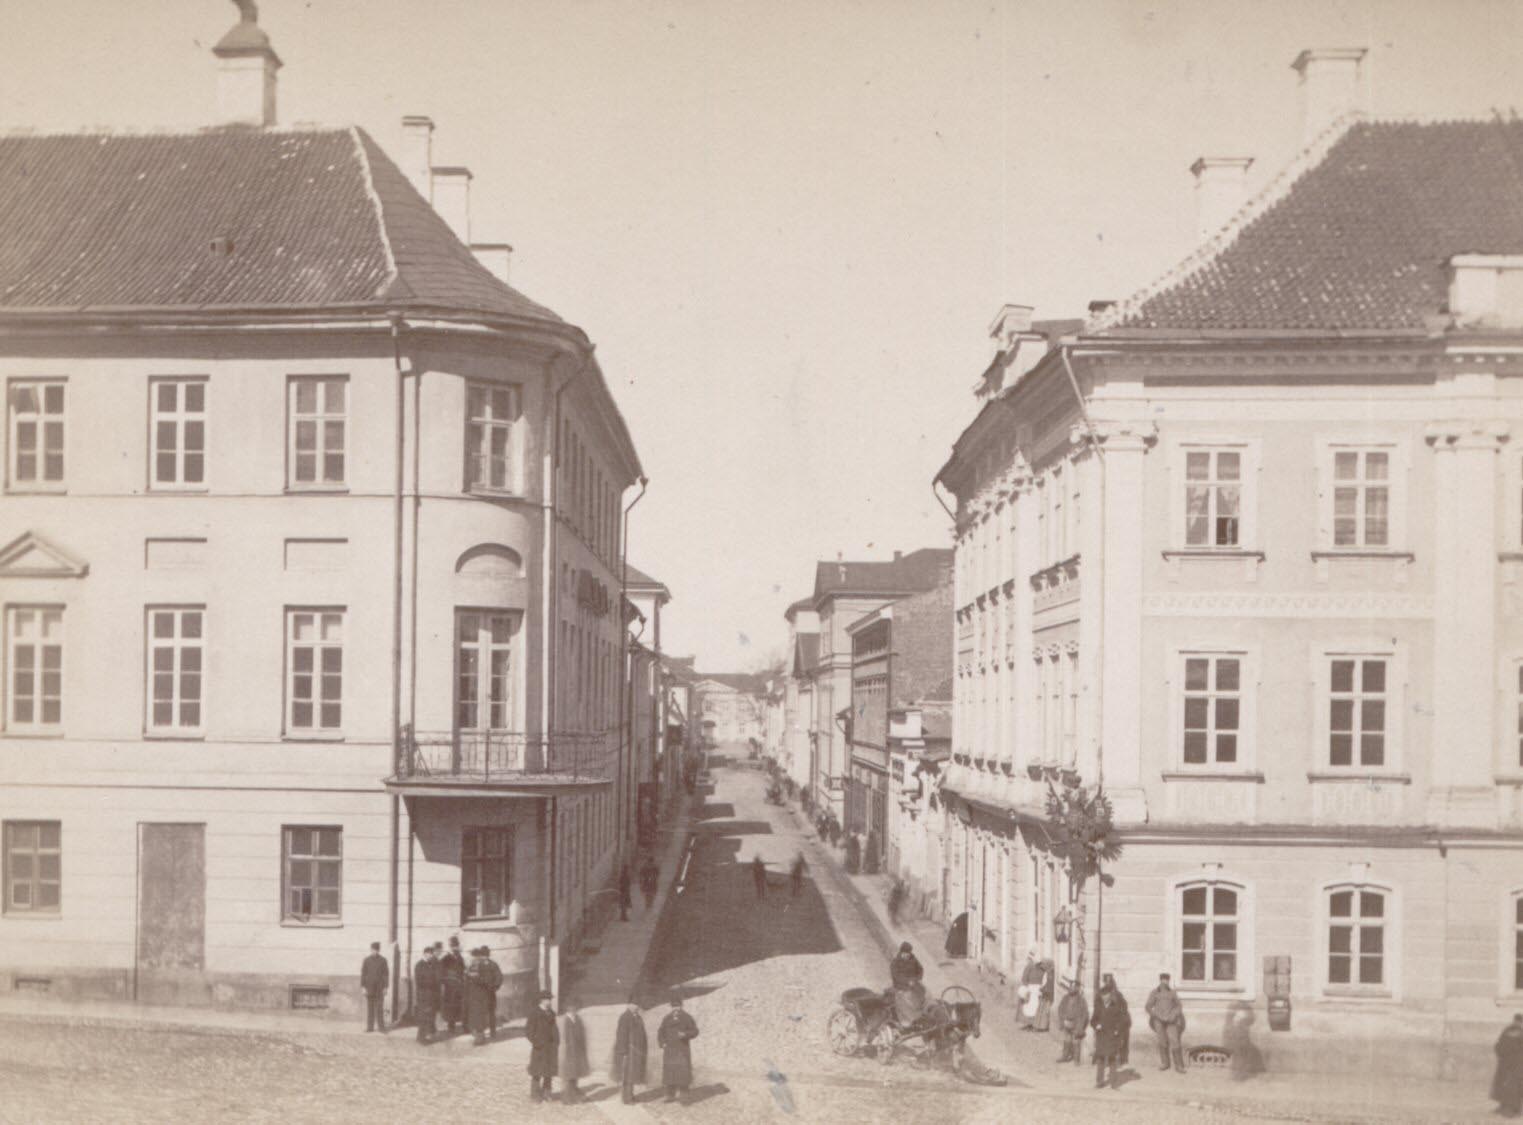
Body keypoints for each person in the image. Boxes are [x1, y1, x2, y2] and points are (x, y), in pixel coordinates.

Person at [1091, 976, 1132, 1089]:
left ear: (1110, 995)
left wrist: (1117, 1030)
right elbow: (1093, 1020)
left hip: (1112, 1036)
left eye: (1107, 995)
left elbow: (1122, 1020)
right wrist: (1096, 1026)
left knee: (1112, 1059)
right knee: (1100, 1059)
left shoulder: (1116, 1006)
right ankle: (1099, 1081)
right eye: (1103, 995)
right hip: (1101, 1036)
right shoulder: (1098, 1007)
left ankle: (1114, 1083)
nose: (1105, 997)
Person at [658, 996, 699, 1103]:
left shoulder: (687, 1017)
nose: (676, 1008)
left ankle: (684, 1097)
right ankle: (670, 1096)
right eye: (673, 1006)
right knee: (670, 1073)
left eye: (678, 1006)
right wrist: (662, 1043)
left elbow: (695, 1031)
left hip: (682, 1050)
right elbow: (660, 1032)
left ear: (681, 1006)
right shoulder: (666, 1018)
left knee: (683, 1073)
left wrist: (685, 1034)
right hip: (670, 1050)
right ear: (671, 1007)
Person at [1145, 972, 1188, 1072]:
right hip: (1158, 1021)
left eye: (1167, 980)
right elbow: (1148, 1007)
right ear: (1160, 981)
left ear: (1168, 981)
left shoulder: (1172, 993)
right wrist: (1155, 1015)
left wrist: (1174, 1014)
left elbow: (1179, 1006)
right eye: (1163, 980)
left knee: (1175, 1041)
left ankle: (1179, 1065)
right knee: (1162, 1041)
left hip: (1171, 1021)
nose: (1165, 982)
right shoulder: (1154, 992)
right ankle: (1165, 1063)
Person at [613, 996, 649, 1105]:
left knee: (633, 1074)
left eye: (637, 1005)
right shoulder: (625, 1017)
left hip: (637, 1051)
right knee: (627, 1075)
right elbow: (621, 1035)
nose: (636, 1007)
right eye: (634, 1004)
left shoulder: (638, 1017)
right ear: (629, 1005)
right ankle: (627, 1098)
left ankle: (631, 1095)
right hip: (628, 1051)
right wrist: (623, 1051)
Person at [526, 990, 560, 1102]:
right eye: (547, 999)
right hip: (539, 1048)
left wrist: (556, 1041)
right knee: (537, 1071)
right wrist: (536, 1042)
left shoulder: (551, 1013)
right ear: (542, 1000)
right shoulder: (534, 1013)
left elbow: (554, 1028)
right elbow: (528, 1031)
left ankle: (547, 1093)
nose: (549, 1001)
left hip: (550, 1047)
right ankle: (535, 1094)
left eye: (550, 999)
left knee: (549, 1072)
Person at [559, 999, 591, 1104]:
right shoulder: (565, 1020)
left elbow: (582, 1035)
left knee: (575, 1074)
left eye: (575, 1008)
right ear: (567, 1008)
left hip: (578, 1052)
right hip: (568, 1053)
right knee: (569, 1076)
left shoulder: (578, 1019)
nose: (573, 1010)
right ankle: (567, 1098)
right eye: (571, 1007)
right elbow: (563, 1038)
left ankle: (574, 1096)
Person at [889, 941, 926, 1025]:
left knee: (922, 991)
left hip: (914, 983)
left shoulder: (913, 959)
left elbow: (920, 970)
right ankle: (911, 1018)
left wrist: (916, 979)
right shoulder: (895, 962)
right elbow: (896, 976)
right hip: (901, 985)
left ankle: (920, 1011)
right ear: (901, 952)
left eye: (908, 954)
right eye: (905, 954)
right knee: (907, 997)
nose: (907, 955)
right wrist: (908, 982)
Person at [1494, 1013, 1523, 1118]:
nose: (1516, 1023)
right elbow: (1499, 1044)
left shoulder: (1520, 1033)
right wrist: (1499, 1053)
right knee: (1503, 1084)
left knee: (1516, 1086)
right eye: (1515, 1021)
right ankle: (1503, 1106)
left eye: (1518, 1021)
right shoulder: (1507, 1030)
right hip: (1506, 1063)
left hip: (1517, 1065)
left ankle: (1516, 1110)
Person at [463, 947, 492, 1045]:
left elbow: (487, 980)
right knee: (474, 1017)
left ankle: (480, 1038)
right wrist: (467, 976)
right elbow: (467, 981)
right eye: (473, 957)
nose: (474, 959)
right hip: (472, 996)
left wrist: (475, 978)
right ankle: (477, 1036)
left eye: (476, 957)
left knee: (480, 1017)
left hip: (481, 996)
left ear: (480, 957)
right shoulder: (471, 967)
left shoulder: (485, 966)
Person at [1056, 978, 1089, 1065]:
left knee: (1076, 1041)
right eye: (1070, 986)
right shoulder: (1065, 998)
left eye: (1074, 987)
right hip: (1066, 1022)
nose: (1071, 988)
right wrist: (1062, 1020)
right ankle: (1065, 1056)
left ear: (1078, 988)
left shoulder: (1081, 1000)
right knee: (1066, 1040)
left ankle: (1076, 1059)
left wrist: (1080, 1025)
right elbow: (1060, 1009)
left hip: (1076, 1024)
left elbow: (1084, 1014)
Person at [413, 944, 441, 1044]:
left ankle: (421, 1037)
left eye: (431, 954)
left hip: (430, 995)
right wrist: (432, 983)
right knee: (423, 1017)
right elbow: (420, 981)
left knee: (427, 1016)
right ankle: (421, 1038)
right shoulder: (419, 965)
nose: (431, 956)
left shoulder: (430, 965)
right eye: (429, 954)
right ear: (425, 954)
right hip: (423, 995)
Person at [360, 941, 389, 1033]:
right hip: (369, 988)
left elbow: (386, 974)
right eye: (372, 950)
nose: (374, 952)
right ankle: (370, 1027)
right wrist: (363, 987)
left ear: (378, 950)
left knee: (379, 1008)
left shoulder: (383, 960)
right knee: (370, 1008)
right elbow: (363, 974)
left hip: (380, 988)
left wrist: (385, 987)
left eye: (376, 950)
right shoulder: (367, 960)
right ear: (370, 950)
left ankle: (381, 1028)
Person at [440, 936, 465, 1034]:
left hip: (459, 984)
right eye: (453, 946)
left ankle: (457, 1021)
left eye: (456, 946)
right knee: (450, 1005)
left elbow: (462, 969)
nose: (455, 948)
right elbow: (441, 972)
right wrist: (446, 981)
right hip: (450, 986)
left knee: (458, 1004)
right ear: (450, 947)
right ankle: (451, 1025)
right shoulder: (446, 958)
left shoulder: (459, 957)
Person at [1017, 951, 1044, 1030]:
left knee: (1031, 1005)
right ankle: (1031, 1023)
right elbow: (1025, 977)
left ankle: (1030, 1024)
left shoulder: (1031, 966)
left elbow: (1025, 977)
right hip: (1034, 988)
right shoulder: (1037, 967)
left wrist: (1024, 985)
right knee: (1032, 1005)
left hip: (1033, 988)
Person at [1033, 958, 1055, 1032]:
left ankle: (1042, 1027)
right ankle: (1038, 1026)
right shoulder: (1047, 973)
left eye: (1044, 966)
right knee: (1041, 1010)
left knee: (1044, 1011)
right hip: (1044, 994)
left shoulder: (1050, 975)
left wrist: (1042, 990)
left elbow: (1049, 986)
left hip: (1047, 996)